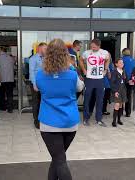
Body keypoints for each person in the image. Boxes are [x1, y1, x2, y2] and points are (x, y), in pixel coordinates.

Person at [36, 39, 79, 180]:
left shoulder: (40, 74)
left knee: (59, 159)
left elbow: (37, 88)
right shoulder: (72, 74)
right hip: (69, 123)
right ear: (65, 54)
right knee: (58, 159)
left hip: (49, 124)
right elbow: (80, 87)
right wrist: (72, 69)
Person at [79, 39, 111, 127]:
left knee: (100, 100)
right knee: (87, 99)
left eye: (94, 46)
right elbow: (80, 60)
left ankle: (99, 119)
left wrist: (105, 69)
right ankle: (86, 118)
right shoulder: (86, 53)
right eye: (91, 46)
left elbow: (108, 59)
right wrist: (84, 70)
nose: (92, 48)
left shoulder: (104, 53)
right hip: (89, 79)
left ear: (99, 46)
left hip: (100, 79)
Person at [29, 42, 47, 129]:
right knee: (36, 102)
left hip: (44, 84)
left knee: (42, 102)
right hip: (36, 84)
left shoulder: (45, 58)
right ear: (39, 49)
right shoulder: (33, 59)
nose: (46, 50)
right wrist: (34, 84)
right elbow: (31, 72)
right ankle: (36, 121)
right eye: (45, 48)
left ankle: (42, 119)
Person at [0, 47, 15, 113]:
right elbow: (13, 66)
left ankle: (3, 107)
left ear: (1, 51)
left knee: (1, 94)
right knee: (10, 94)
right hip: (10, 79)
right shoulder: (11, 58)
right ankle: (10, 109)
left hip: (2, 78)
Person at [110, 58, 127, 127]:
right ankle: (114, 121)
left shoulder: (123, 71)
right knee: (117, 104)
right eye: (120, 63)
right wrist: (115, 91)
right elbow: (112, 83)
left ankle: (119, 120)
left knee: (121, 105)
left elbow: (126, 79)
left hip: (123, 89)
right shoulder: (114, 72)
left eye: (122, 63)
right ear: (116, 64)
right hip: (117, 90)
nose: (122, 64)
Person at [122, 48, 135, 117]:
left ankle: (120, 111)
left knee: (121, 95)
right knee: (129, 95)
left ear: (123, 53)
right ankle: (128, 112)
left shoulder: (122, 60)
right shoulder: (134, 61)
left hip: (123, 80)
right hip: (131, 80)